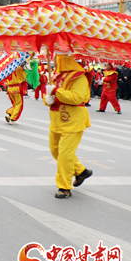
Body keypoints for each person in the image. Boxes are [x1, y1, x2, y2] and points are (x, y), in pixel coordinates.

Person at [44, 54, 93, 199]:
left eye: (56, 57)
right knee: (55, 151)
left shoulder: (79, 76)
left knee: (65, 155)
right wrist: (47, 99)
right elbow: (51, 96)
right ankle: (81, 171)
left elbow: (77, 97)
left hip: (73, 120)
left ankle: (64, 187)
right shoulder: (56, 76)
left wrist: (55, 91)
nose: (53, 60)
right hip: (56, 120)